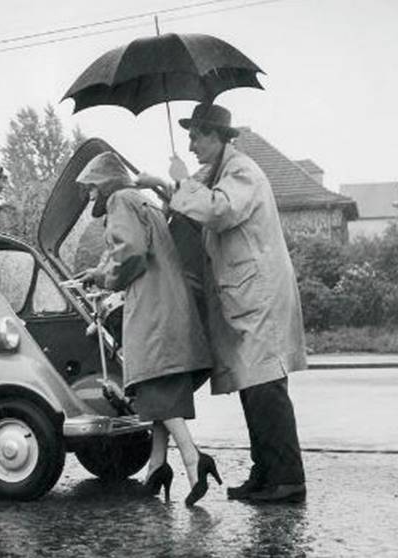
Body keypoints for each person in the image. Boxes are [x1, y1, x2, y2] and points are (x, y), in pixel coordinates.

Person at [136, 103, 308, 503]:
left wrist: (178, 181)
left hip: (258, 294)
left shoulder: (241, 170)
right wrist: (165, 186)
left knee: (265, 387)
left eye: (197, 135)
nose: (191, 143)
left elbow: (219, 209)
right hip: (245, 294)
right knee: (253, 386)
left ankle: (286, 479)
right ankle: (265, 474)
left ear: (217, 136)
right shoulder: (219, 173)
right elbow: (198, 213)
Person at [77, 151, 221, 506]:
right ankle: (157, 467)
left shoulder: (120, 200)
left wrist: (108, 280)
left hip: (151, 304)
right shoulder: (145, 202)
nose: (90, 196)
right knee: (160, 387)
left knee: (152, 383)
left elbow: (131, 253)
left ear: (106, 182)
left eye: (91, 188)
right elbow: (139, 247)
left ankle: (193, 458)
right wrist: (99, 273)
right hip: (170, 300)